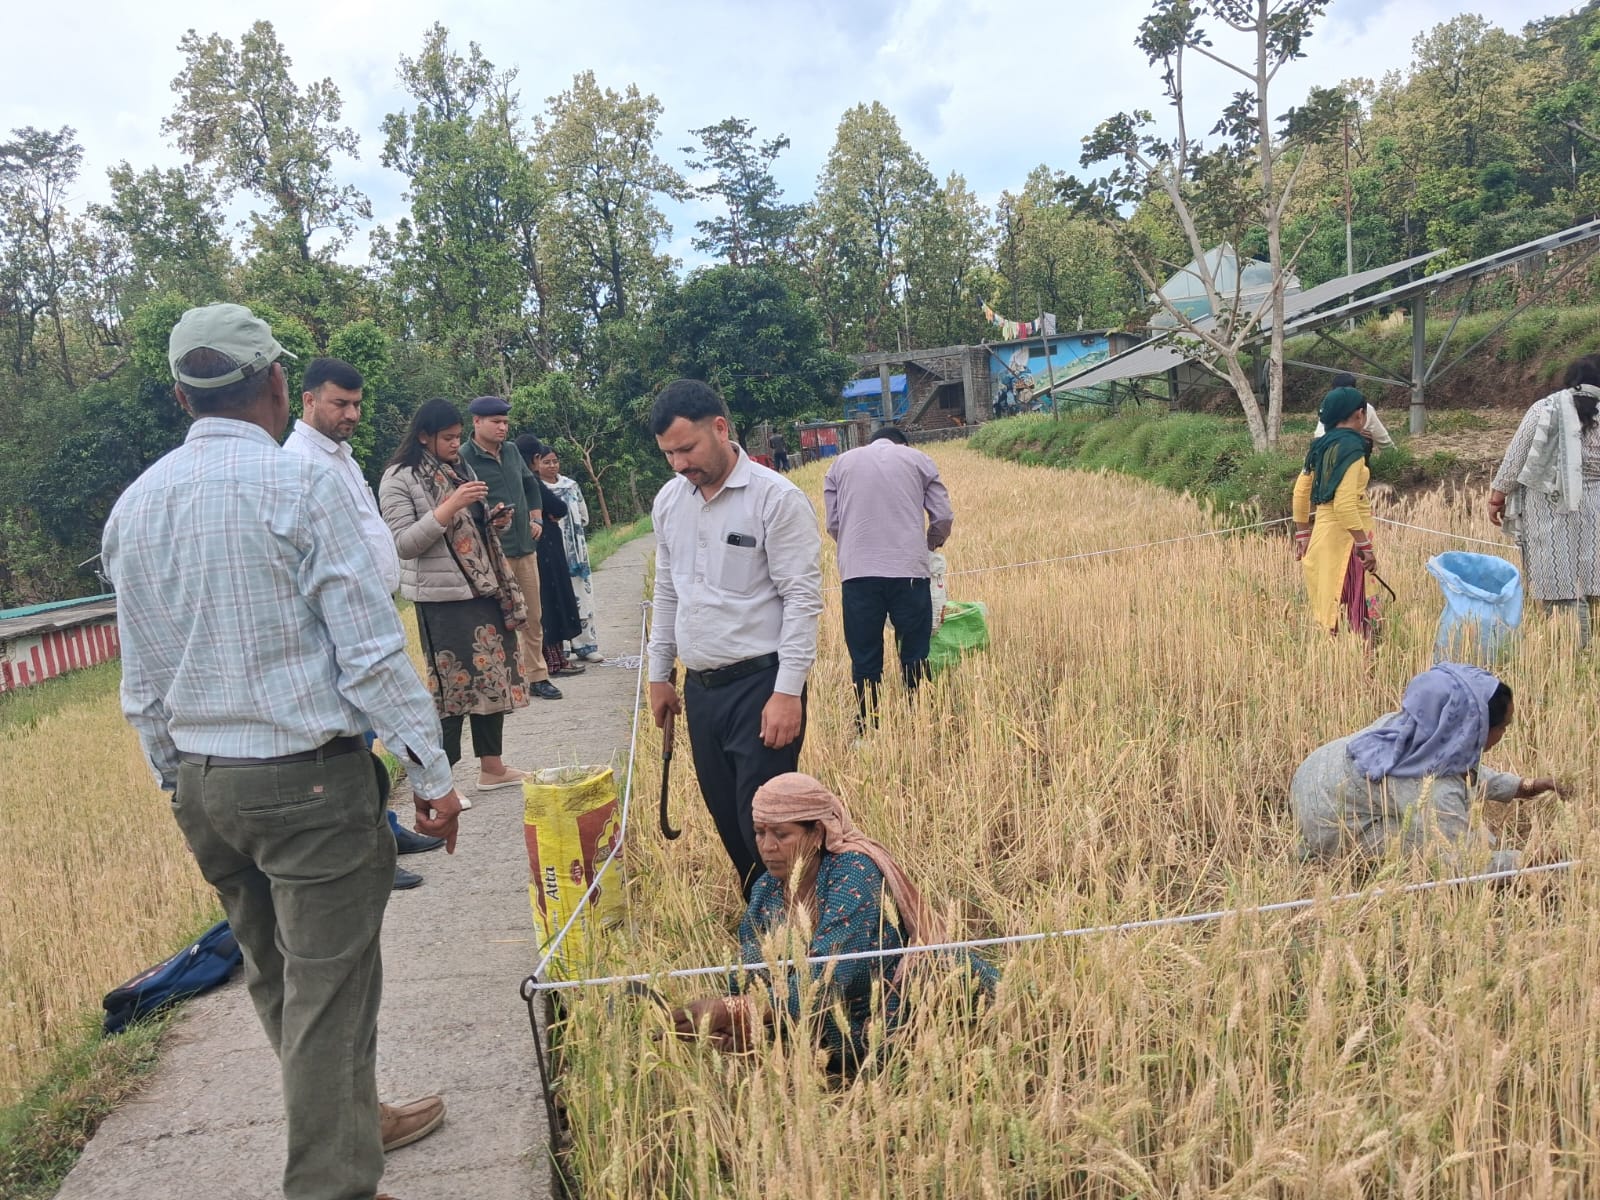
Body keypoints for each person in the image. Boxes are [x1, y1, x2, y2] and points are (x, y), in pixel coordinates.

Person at [103, 303, 463, 1200]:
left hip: (204, 786)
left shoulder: (134, 506)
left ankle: (354, 1117)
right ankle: (332, 1180)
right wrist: (433, 771)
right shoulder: (299, 489)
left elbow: (141, 680)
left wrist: (175, 782)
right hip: (307, 784)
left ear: (182, 396)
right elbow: (370, 650)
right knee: (331, 993)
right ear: (275, 384)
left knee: (280, 981)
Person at [672, 773, 997, 1074]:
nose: (767, 846)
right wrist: (733, 1024)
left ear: (817, 833)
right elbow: (750, 973)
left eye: (781, 835)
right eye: (760, 832)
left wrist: (735, 1009)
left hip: (897, 1009)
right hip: (825, 1022)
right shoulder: (766, 889)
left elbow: (828, 978)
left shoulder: (853, 872)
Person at [647, 379, 823, 898]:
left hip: (761, 688)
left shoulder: (775, 499)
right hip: (701, 692)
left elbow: (802, 600)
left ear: (721, 428)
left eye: (687, 448)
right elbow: (666, 591)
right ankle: (764, 922)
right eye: (668, 454)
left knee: (767, 825)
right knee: (727, 818)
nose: (679, 463)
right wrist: (659, 675)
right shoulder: (669, 502)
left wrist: (787, 691)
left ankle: (805, 924)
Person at [282, 355, 445, 891]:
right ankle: (374, 850)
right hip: (341, 626)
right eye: (339, 403)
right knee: (356, 748)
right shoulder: (300, 464)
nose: (351, 413)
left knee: (370, 739)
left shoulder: (343, 457)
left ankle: (387, 830)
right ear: (307, 400)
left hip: (372, 605)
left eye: (356, 403)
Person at [379, 399, 531, 791]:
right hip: (441, 600)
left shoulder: (455, 469)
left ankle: (492, 767)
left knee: (492, 677)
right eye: (447, 438)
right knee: (453, 690)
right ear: (424, 436)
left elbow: (469, 534)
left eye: (458, 437)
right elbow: (404, 543)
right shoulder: (399, 477)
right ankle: (441, 782)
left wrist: (491, 520)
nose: (454, 444)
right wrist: (451, 505)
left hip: (481, 588)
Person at [1290, 663, 1561, 871]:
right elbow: (1464, 863)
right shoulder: (1430, 787)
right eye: (1503, 727)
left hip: (1312, 774)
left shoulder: (1417, 726)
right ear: (1473, 730)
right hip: (1328, 825)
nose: (1504, 733)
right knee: (1454, 848)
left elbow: (1460, 770)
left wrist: (1527, 786)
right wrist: (1530, 860)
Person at [823, 426, 953, 730]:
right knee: (914, 650)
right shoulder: (917, 459)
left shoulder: (841, 463)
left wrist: (855, 547)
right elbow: (943, 516)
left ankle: (868, 723)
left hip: (858, 574)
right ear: (902, 445)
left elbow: (833, 521)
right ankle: (920, 719)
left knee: (865, 654)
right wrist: (931, 543)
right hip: (909, 570)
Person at [1488, 356, 1600, 648]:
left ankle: (1570, 649)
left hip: (1550, 506)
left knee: (1559, 575)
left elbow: (1516, 458)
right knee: (1593, 575)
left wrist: (1497, 496)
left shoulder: (1545, 408)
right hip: (1596, 506)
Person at [457, 396, 563, 700]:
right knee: (496, 620)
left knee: (533, 615)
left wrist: (536, 517)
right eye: (496, 422)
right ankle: (504, 679)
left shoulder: (514, 450)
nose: (503, 427)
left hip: (525, 547)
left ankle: (537, 676)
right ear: (477, 422)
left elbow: (531, 485)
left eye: (505, 422)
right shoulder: (464, 457)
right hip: (491, 554)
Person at [1293, 386, 1378, 635]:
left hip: (1322, 534)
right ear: (1360, 414)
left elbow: (1300, 492)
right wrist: (1364, 546)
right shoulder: (1352, 447)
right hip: (1346, 539)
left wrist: (1302, 534)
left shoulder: (1319, 447)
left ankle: (1337, 664)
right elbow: (1344, 504)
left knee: (1330, 601)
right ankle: (1365, 663)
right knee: (1357, 607)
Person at [524, 436, 604, 663]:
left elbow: (584, 516)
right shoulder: (533, 486)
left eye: (555, 461)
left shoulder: (570, 486)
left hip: (575, 551)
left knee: (582, 598)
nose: (551, 466)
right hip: (550, 552)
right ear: (536, 462)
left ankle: (586, 645)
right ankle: (564, 647)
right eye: (546, 461)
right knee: (557, 598)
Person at [518, 437, 586, 679]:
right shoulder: (530, 481)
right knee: (551, 601)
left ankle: (548, 661)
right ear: (535, 459)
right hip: (545, 547)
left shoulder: (512, 480)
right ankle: (555, 662)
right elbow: (558, 508)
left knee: (539, 604)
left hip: (528, 547)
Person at [1311, 372, 1395, 450]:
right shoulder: (1330, 407)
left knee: (1366, 439)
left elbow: (1385, 442)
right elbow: (1319, 437)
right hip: (1331, 451)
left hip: (1356, 452)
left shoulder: (1366, 408)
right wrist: (1351, 436)